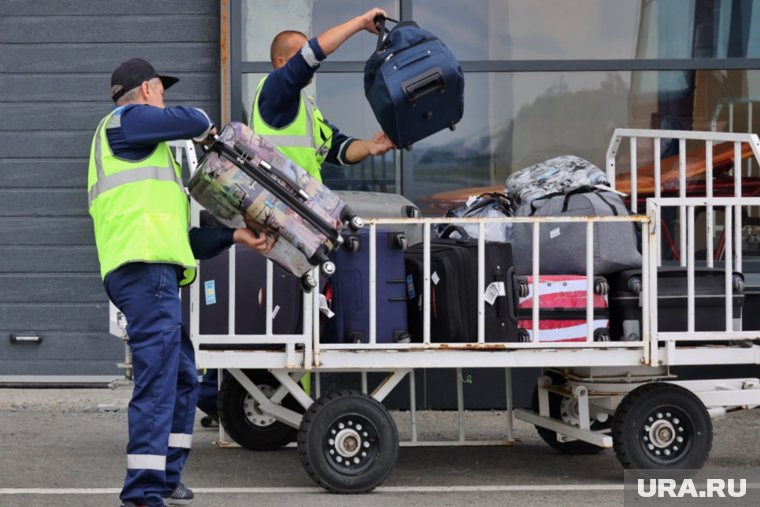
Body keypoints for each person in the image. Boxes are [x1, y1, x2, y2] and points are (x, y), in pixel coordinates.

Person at [88, 57, 274, 507]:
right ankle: (143, 494)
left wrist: (235, 236)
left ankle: (166, 477)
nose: (166, 98)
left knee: (183, 377)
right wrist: (208, 128)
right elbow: (194, 120)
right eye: (161, 91)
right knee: (159, 382)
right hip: (143, 273)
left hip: (156, 273)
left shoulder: (145, 151)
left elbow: (183, 238)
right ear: (148, 91)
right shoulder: (124, 123)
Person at [249, 7, 396, 182]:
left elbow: (337, 148)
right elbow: (313, 52)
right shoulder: (273, 89)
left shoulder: (306, 108)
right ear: (281, 62)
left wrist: (370, 147)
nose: (307, 61)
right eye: (299, 54)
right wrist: (361, 22)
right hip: (278, 203)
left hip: (301, 205)